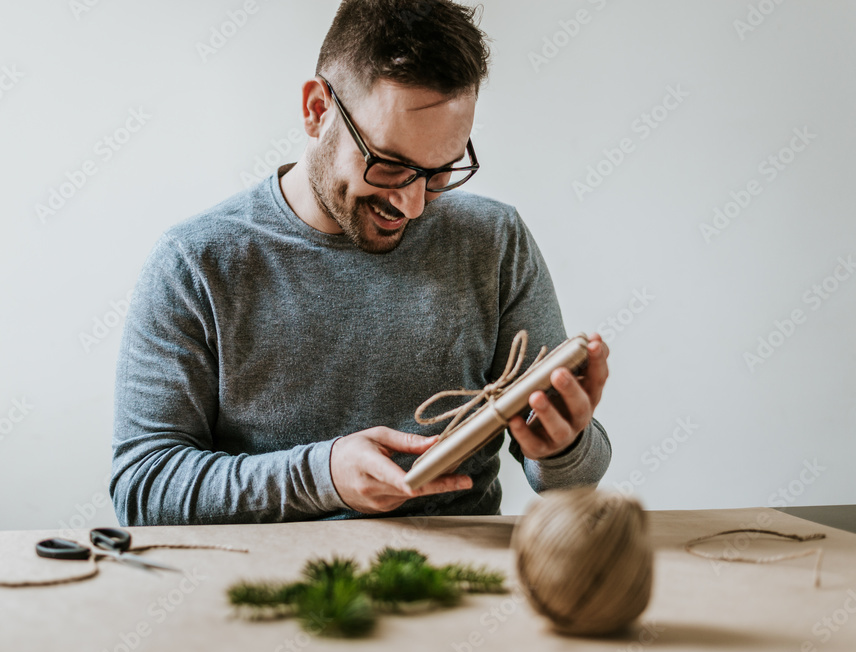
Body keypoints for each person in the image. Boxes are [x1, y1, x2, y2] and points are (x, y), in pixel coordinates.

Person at [110, 0, 611, 526]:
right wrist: (322, 476)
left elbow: (569, 484)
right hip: (270, 586)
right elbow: (143, 490)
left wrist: (564, 446)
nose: (413, 205)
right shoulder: (194, 264)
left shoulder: (495, 241)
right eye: (390, 165)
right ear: (316, 110)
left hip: (462, 584)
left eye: (440, 171)